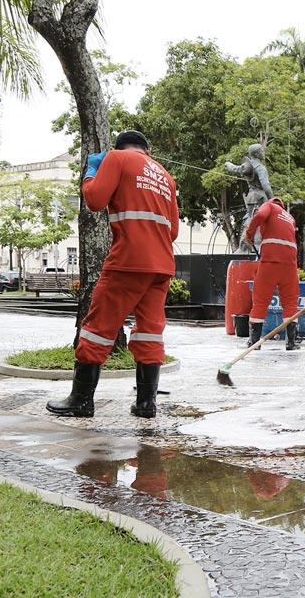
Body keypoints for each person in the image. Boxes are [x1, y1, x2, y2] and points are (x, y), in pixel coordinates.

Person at [47, 130, 179, 419]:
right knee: (150, 331)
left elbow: (94, 200)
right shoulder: (165, 177)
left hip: (128, 260)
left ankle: (81, 400)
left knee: (97, 327)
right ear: (148, 150)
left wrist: (92, 171)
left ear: (116, 148)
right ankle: (146, 404)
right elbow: (174, 231)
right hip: (162, 265)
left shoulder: (116, 159)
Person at [244, 197, 301, 350]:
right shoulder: (290, 217)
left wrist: (249, 234)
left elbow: (260, 216)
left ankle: (254, 342)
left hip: (270, 261)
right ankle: (291, 342)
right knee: (290, 302)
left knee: (260, 299)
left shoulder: (268, 206)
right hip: (290, 264)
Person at [224, 143, 274, 253]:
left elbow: (235, 169)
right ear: (256, 153)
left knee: (250, 220)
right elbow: (266, 187)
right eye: (261, 150)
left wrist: (228, 164)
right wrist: (274, 202)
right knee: (259, 222)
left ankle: (244, 245)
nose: (263, 152)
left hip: (251, 198)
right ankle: (255, 245)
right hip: (261, 199)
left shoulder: (248, 166)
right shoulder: (261, 168)